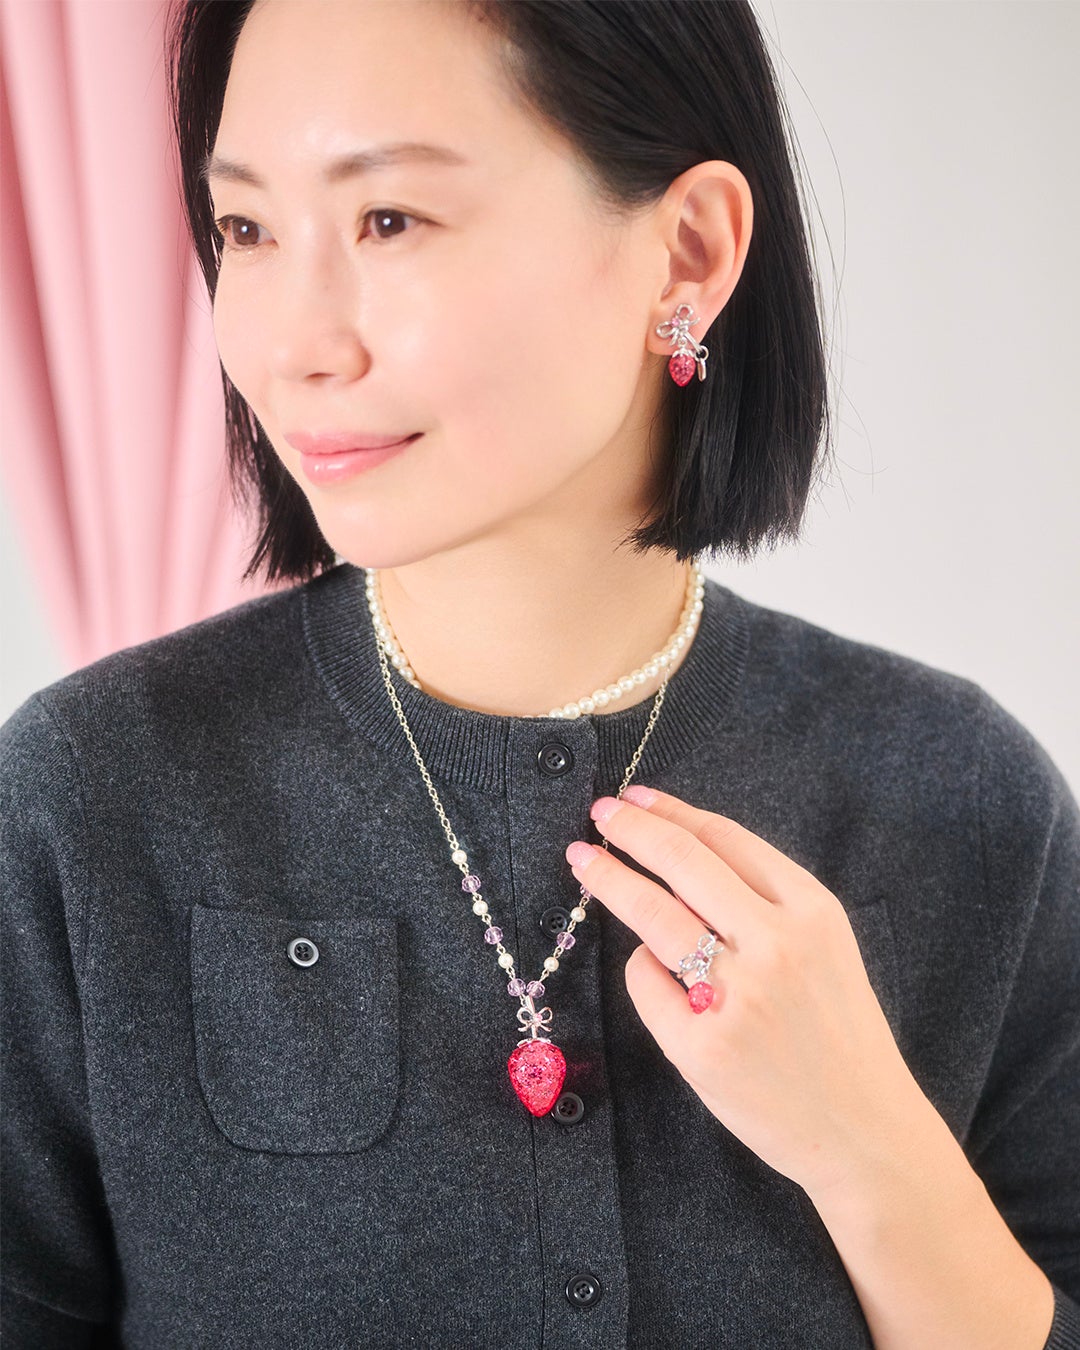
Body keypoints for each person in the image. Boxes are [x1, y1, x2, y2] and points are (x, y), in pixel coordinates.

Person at [2, 1, 1077, 1346]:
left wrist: (871, 1149)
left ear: (687, 253)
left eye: (389, 219)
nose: (296, 346)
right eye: (248, 230)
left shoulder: (962, 799)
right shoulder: (92, 796)